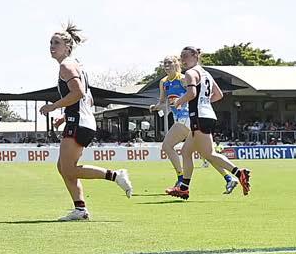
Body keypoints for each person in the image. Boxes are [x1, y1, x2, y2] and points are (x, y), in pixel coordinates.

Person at [39, 24, 133, 221]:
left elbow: (78, 93)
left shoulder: (67, 66)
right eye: (51, 42)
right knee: (63, 167)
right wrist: (65, 116)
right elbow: (86, 99)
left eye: (56, 43)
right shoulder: (75, 65)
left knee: (68, 169)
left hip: (80, 122)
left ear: (67, 46)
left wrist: (53, 106)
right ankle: (80, 209)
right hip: (80, 120)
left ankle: (116, 175)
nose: (52, 46)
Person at [169, 46, 250, 199]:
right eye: (181, 56)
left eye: (185, 56)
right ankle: (184, 188)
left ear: (195, 56)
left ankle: (240, 173)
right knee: (186, 151)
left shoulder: (191, 73)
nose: (182, 59)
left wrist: (179, 101)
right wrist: (204, 102)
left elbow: (192, 93)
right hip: (206, 115)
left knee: (209, 154)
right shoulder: (206, 74)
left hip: (199, 117)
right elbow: (218, 95)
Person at [153, 54, 193, 192]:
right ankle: (230, 177)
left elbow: (193, 94)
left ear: (176, 64)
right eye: (165, 63)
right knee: (206, 152)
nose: (167, 65)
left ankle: (181, 178)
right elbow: (162, 101)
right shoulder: (163, 82)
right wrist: (155, 107)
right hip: (179, 119)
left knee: (167, 146)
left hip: (186, 117)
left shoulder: (182, 79)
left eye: (169, 63)